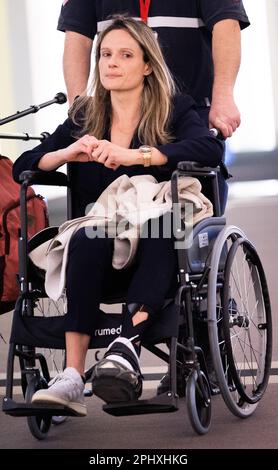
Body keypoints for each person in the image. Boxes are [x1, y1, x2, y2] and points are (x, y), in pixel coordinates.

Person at [13, 17, 223, 415]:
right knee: (86, 239)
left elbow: (209, 150)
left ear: (147, 64)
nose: (111, 63)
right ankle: (73, 376)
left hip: (157, 245)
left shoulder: (174, 108)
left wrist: (139, 156)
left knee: (166, 226)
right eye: (105, 54)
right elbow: (22, 166)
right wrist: (64, 154)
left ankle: (126, 346)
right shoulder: (86, 116)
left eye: (125, 55)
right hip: (107, 242)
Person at [57, 0, 250, 139]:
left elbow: (226, 25)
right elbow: (78, 39)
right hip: (117, 114)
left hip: (190, 110)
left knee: (196, 183)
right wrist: (79, 109)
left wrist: (224, 97)